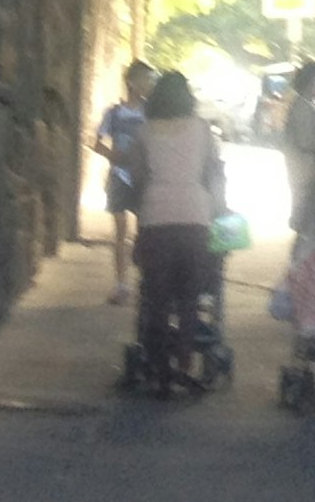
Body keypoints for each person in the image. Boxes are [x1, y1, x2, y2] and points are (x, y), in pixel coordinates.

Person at [131, 70, 229, 380]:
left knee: (157, 298)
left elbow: (137, 176)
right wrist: (219, 209)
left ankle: (159, 366)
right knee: (190, 298)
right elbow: (214, 174)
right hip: (195, 219)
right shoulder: (202, 130)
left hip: (156, 220)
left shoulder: (144, 132)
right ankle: (186, 364)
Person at [92, 59, 154, 302]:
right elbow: (97, 142)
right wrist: (113, 156)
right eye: (145, 80)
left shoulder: (150, 113)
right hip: (119, 176)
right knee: (119, 231)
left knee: (144, 232)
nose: (149, 85)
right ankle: (121, 284)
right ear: (132, 82)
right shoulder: (114, 113)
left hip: (141, 178)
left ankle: (143, 281)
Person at [280, 60, 315, 240]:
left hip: (307, 170)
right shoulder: (302, 106)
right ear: (313, 81)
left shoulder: (306, 105)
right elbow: (306, 141)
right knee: (307, 221)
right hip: (305, 171)